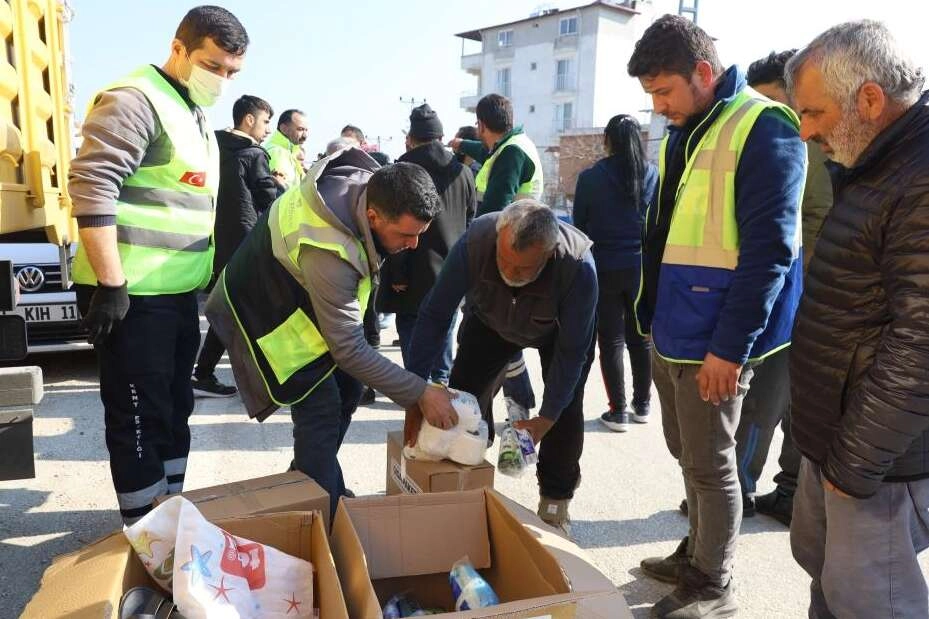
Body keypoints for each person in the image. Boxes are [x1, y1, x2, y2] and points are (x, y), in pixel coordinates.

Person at [627, 15, 805, 617]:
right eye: (650, 97)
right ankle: (698, 550)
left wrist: (730, 349)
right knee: (688, 455)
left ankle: (712, 583)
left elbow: (769, 253)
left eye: (663, 92)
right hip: (675, 329)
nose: (657, 108)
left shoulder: (763, 125)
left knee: (712, 466)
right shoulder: (693, 126)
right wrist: (648, 316)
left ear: (703, 73)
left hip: (714, 338)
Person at [69, 6, 249, 524]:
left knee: (174, 409)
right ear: (178, 49)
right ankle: (146, 532)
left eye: (232, 72)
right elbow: (94, 186)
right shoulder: (135, 100)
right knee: (140, 418)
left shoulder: (190, 109)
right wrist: (112, 284)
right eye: (212, 65)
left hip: (172, 295)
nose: (221, 80)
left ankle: (170, 510)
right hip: (130, 295)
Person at [205, 151, 458, 517]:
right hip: (267, 310)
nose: (413, 244)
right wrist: (420, 394)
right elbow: (348, 349)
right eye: (406, 234)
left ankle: (312, 480)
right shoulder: (329, 248)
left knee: (351, 389)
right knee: (319, 409)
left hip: (301, 295)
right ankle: (322, 516)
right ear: (373, 216)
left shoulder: (372, 186)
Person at [786, 21, 929, 618]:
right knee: (831, 588)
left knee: (874, 605)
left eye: (814, 111)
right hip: (837, 443)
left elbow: (922, 340)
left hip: (873, 463)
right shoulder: (873, 163)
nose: (804, 129)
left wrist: (854, 465)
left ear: (869, 99)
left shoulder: (918, 176)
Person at [687, 49, 833, 527]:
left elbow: (809, 223)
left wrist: (796, 287)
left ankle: (743, 485)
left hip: (799, 295)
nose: (757, 109)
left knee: (765, 401)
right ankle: (786, 490)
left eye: (768, 98)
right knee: (793, 398)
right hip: (802, 294)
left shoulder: (795, 138)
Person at [405, 200, 597, 535]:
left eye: (523, 269)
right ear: (498, 237)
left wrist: (545, 420)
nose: (510, 272)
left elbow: (571, 355)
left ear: (548, 254)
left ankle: (555, 504)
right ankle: (464, 481)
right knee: (463, 396)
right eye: (504, 261)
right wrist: (416, 391)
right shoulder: (476, 241)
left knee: (565, 412)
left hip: (556, 332)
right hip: (490, 321)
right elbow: (435, 314)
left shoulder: (578, 267)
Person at [448, 94, 543, 420]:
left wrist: (473, 252)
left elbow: (495, 212)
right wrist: (462, 144)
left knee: (491, 333)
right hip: (516, 249)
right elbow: (486, 151)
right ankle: (512, 410)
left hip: (505, 255)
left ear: (482, 125)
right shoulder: (512, 144)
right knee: (499, 334)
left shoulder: (511, 154)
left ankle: (510, 409)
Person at [191, 94, 283, 398]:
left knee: (230, 309)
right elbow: (268, 198)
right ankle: (266, 379)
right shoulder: (253, 154)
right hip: (246, 243)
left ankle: (204, 373)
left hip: (213, 242)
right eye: (266, 121)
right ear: (249, 119)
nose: (268, 129)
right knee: (253, 310)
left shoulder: (211, 147)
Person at [378, 104, 476, 384]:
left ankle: (416, 383)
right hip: (453, 265)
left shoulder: (403, 170)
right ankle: (441, 380)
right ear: (441, 136)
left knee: (411, 322)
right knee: (444, 321)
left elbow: (395, 224)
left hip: (412, 265)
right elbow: (470, 220)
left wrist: (397, 272)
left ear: (411, 137)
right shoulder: (463, 172)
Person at [573, 115, 657, 432]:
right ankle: (643, 405)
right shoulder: (652, 176)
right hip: (640, 268)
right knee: (640, 338)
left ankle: (618, 411)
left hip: (604, 266)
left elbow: (579, 228)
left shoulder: (591, 177)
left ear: (608, 140)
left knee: (611, 340)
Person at [264, 108, 307, 188]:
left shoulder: (288, 152)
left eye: (306, 130)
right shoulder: (277, 152)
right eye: (300, 129)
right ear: (284, 129)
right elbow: (280, 192)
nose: (305, 136)